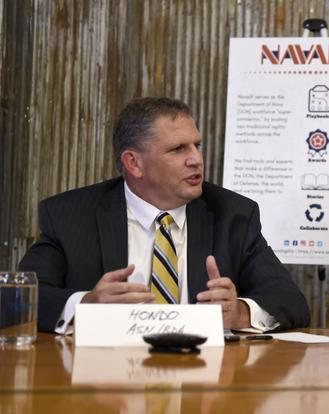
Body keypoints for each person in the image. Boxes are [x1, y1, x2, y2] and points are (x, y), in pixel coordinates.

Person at [19, 97, 310, 333]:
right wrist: (86, 306)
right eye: (177, 149)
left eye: (197, 145)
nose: (196, 159)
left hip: (203, 386)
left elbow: (291, 301)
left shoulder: (233, 215)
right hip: (103, 386)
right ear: (133, 163)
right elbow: (19, 298)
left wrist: (240, 313)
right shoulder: (71, 215)